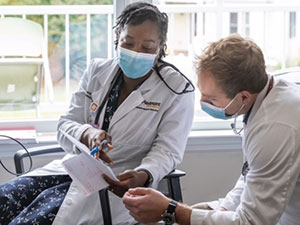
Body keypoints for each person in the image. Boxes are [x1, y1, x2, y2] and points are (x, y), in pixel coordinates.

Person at [0, 2, 195, 225]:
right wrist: (87, 133)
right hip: (76, 169)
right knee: (4, 197)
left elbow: (168, 151)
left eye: (147, 47)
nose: (136, 52)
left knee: (31, 219)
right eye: (128, 43)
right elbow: (65, 126)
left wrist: (143, 175)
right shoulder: (98, 71)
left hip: (118, 182)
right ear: (117, 39)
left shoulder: (177, 89)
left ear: (161, 47)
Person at [122, 34, 300, 225]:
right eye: (202, 94)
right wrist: (210, 210)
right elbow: (252, 178)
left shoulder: (275, 128)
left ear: (244, 97)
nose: (203, 103)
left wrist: (173, 210)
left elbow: (250, 222)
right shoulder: (268, 93)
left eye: (212, 99)